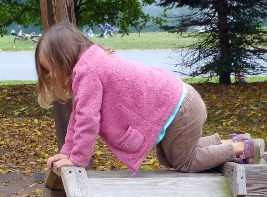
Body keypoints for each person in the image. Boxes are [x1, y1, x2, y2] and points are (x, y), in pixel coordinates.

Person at [35, 22, 263, 174]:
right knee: (167, 158)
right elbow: (79, 115)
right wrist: (66, 153)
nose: (51, 75)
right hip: (180, 101)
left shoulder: (88, 70)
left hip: (180, 107)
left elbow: (87, 120)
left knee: (185, 162)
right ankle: (231, 142)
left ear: (64, 58)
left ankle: (242, 148)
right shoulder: (90, 64)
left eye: (50, 69)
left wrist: (77, 159)